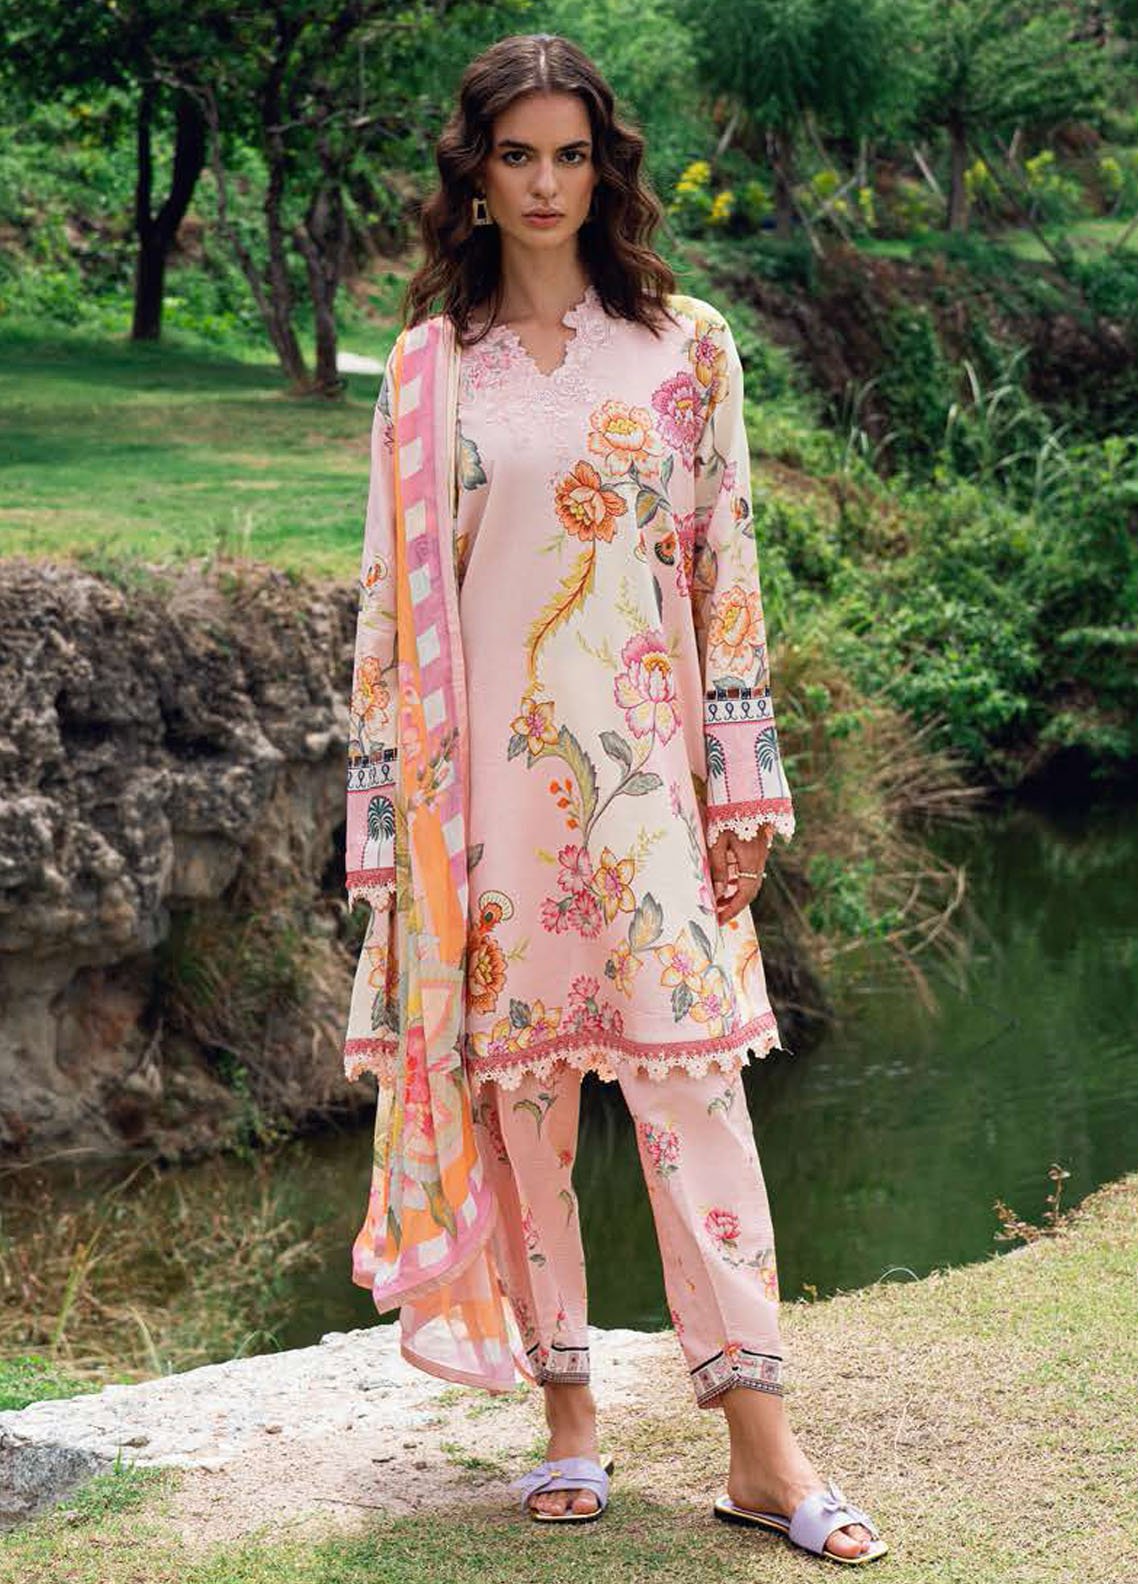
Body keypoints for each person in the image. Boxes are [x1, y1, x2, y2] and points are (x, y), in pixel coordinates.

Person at [341, 31, 887, 1567]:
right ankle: (567, 1422)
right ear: (475, 172)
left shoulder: (683, 347)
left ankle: (763, 1454)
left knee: (694, 1098)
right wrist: (387, 838)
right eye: (516, 155)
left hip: (647, 790)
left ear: (605, 169)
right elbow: (389, 607)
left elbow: (726, 571)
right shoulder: (428, 370)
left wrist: (741, 785)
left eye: (569, 155)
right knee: (520, 1109)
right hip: (482, 808)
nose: (544, 184)